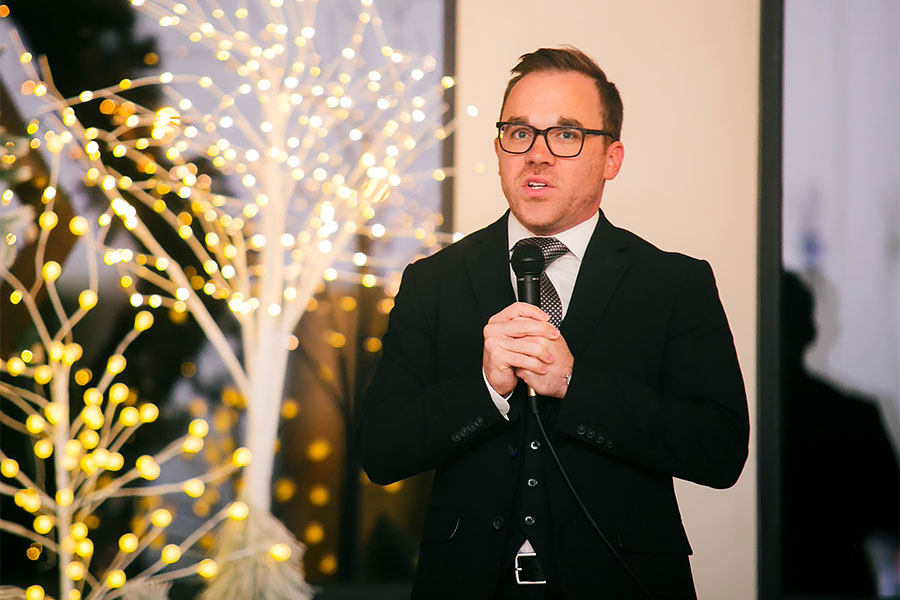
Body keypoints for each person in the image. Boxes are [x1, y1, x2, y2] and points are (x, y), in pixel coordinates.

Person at [358, 46, 750, 599]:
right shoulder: (434, 281)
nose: (536, 155)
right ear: (499, 149)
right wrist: (486, 389)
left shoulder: (673, 284)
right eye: (519, 133)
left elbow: (720, 450)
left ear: (611, 158)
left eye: (565, 135)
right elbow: (380, 449)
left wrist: (574, 385)